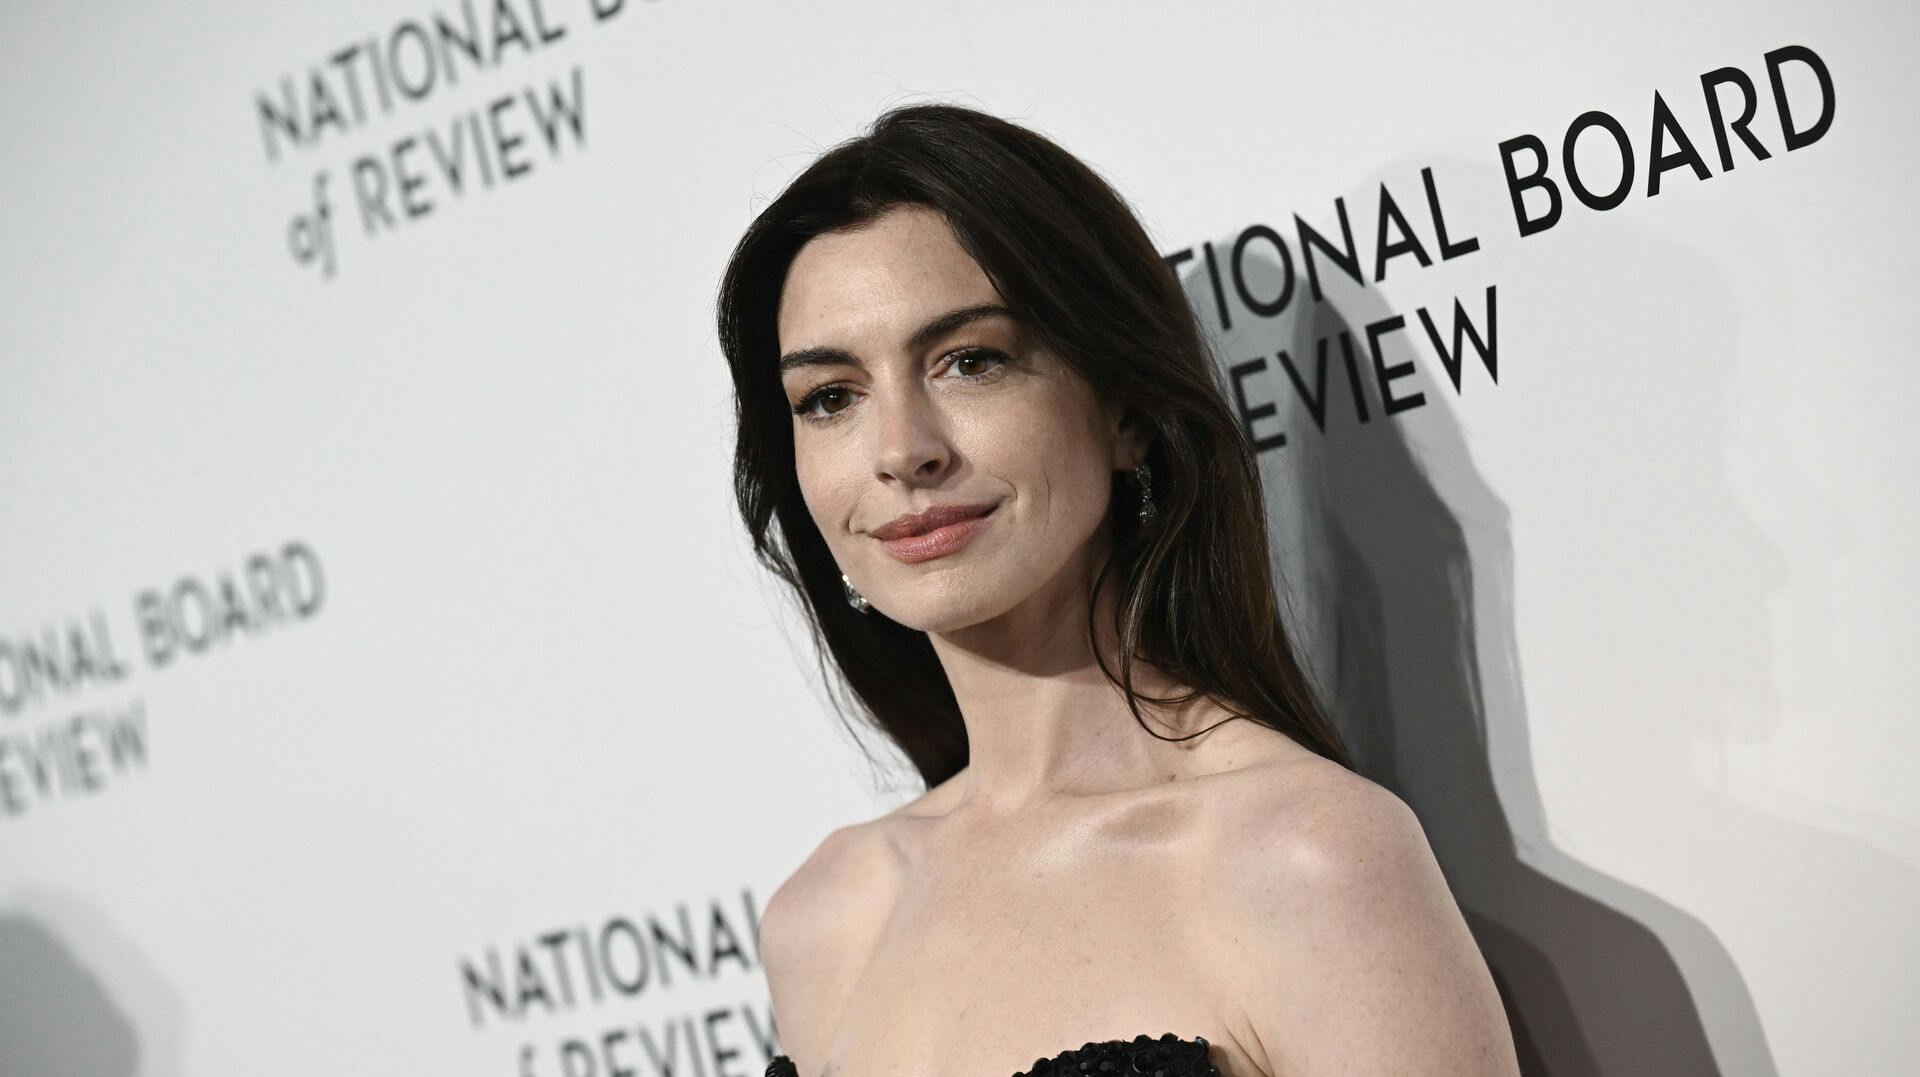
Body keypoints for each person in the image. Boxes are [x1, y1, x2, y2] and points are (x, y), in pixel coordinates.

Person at [713, 102, 1521, 1077]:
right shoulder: (826, 919)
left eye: (970, 361)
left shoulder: (1305, 857)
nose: (901, 451)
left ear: (1126, 412)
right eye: (831, 397)